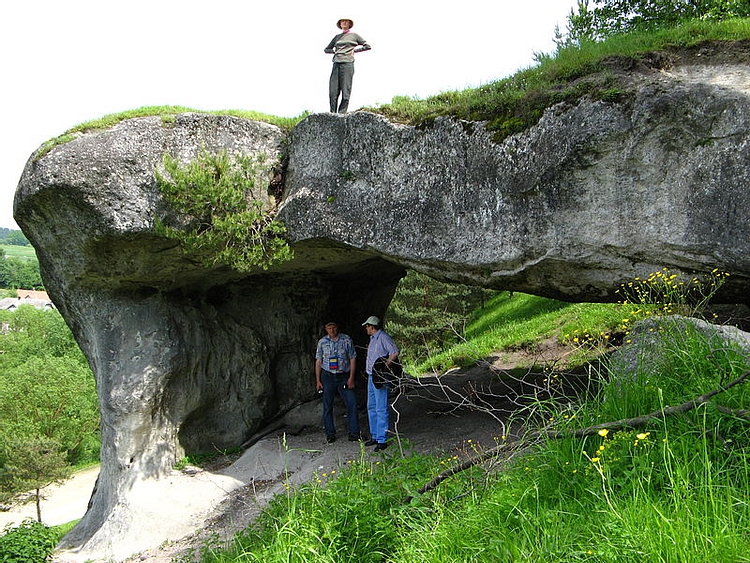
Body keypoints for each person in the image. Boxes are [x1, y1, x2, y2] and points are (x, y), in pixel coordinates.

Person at [315, 320, 361, 443]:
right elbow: (318, 361)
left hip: (343, 376)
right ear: (325, 329)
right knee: (327, 405)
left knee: (351, 403)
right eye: (329, 328)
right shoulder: (322, 342)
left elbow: (352, 358)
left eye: (334, 327)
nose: (332, 330)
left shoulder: (346, 340)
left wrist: (351, 377)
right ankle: (330, 433)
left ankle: (354, 433)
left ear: (337, 327)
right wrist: (318, 380)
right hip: (328, 376)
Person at [362, 315, 399, 452]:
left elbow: (394, 352)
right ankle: (375, 435)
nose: (366, 328)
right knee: (371, 406)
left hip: (380, 376)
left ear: (372, 326)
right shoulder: (372, 339)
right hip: (371, 375)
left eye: (367, 326)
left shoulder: (383, 337)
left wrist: (386, 365)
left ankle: (382, 439)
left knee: (381, 406)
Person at [324, 17, 371, 114]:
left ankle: (342, 113)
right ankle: (332, 113)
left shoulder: (354, 36)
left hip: (348, 63)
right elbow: (326, 49)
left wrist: (355, 51)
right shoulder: (337, 37)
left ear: (349, 24)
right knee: (333, 91)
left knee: (346, 90)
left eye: (346, 21)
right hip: (336, 63)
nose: (344, 23)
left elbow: (367, 46)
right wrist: (334, 52)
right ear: (340, 24)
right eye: (342, 21)